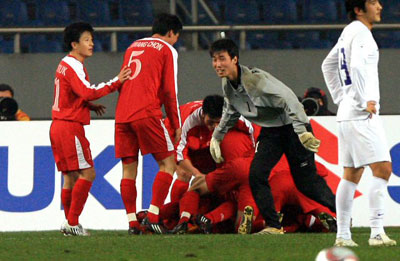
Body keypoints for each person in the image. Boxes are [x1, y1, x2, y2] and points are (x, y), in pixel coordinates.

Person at [209, 38, 336, 234]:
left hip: (293, 127)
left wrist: (302, 131)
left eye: (222, 59)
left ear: (235, 59)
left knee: (307, 183)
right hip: (272, 131)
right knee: (256, 174)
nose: (217, 64)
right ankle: (274, 226)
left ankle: (343, 214)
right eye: (214, 60)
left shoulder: (256, 82)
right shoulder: (228, 84)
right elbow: (231, 109)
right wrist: (217, 137)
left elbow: (290, 100)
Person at [322, 0, 396, 247]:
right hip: (360, 113)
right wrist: (365, 100)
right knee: (383, 168)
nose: (380, 6)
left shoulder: (348, 31)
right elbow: (355, 66)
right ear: (358, 8)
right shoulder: (362, 33)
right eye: (373, 2)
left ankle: (343, 235)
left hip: (346, 112)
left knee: (351, 174)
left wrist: (341, 98)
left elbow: (328, 65)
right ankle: (376, 232)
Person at [49, 22, 131, 236]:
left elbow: (72, 94)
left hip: (58, 125)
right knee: (88, 173)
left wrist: (88, 107)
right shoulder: (74, 65)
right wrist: (116, 82)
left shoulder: (65, 64)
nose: (91, 44)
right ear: (74, 44)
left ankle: (69, 223)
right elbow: (87, 91)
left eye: (92, 39)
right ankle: (72, 223)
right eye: (87, 40)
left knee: (70, 177)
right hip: (69, 127)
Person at [115, 13, 183, 235]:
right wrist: (176, 122)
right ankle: (153, 216)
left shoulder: (132, 46)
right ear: (171, 33)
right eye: (176, 37)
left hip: (122, 115)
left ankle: (132, 221)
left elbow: (122, 81)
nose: (175, 42)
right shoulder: (167, 49)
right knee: (168, 162)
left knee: (128, 168)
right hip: (146, 112)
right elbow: (169, 90)